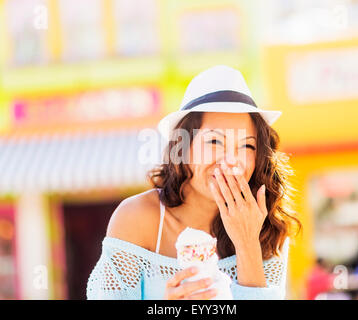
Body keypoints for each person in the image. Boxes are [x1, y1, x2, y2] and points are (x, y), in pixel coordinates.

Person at [86, 65, 301, 300]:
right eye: (214, 142)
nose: (232, 161)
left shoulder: (269, 227)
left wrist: (247, 241)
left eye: (247, 145)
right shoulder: (137, 218)